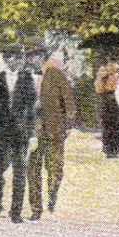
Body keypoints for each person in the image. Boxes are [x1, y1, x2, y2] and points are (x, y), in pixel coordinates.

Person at [0, 52, 39, 221]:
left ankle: (16, 211)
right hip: (0, 131)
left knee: (20, 171)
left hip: (21, 133)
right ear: (6, 60)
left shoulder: (27, 79)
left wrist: (32, 133)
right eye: (13, 57)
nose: (17, 61)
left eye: (20, 58)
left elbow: (32, 109)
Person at [28, 50, 77, 219]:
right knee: (32, 168)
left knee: (55, 168)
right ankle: (36, 208)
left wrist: (69, 123)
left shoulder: (55, 74)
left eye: (34, 56)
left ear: (42, 57)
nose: (31, 60)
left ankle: (52, 193)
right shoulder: (28, 76)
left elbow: (68, 99)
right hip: (34, 130)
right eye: (29, 57)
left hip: (54, 128)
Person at [95, 59, 119, 158]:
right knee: (108, 126)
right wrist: (101, 77)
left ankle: (113, 149)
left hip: (112, 102)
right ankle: (109, 149)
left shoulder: (118, 77)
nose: (113, 70)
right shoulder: (104, 77)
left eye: (114, 68)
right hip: (108, 102)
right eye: (111, 68)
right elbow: (99, 89)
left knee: (113, 126)